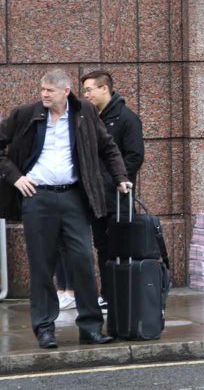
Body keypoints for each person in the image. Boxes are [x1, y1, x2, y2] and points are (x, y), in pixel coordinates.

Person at [0, 69, 131, 349]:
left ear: (65, 91)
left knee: (83, 261)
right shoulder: (25, 114)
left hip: (73, 197)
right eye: (42, 89)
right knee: (41, 265)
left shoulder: (83, 112)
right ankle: (45, 328)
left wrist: (120, 177)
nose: (44, 94)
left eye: (50, 90)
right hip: (38, 198)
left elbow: (108, 147)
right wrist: (16, 177)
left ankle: (91, 327)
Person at [81, 70, 144, 307]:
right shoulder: (88, 118)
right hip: (95, 197)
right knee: (102, 247)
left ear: (104, 89)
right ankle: (107, 295)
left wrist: (111, 180)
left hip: (117, 196)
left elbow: (135, 157)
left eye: (89, 89)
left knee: (121, 246)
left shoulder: (127, 119)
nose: (85, 94)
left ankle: (123, 295)